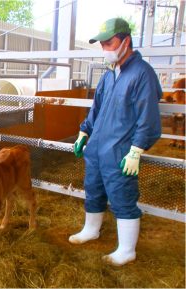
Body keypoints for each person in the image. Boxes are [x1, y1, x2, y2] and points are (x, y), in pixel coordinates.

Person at [69, 18, 162, 266]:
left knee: (122, 196)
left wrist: (136, 150)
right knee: (94, 190)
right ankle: (91, 230)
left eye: (109, 42)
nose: (105, 48)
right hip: (97, 147)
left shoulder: (142, 74)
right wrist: (84, 132)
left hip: (121, 150)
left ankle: (127, 249)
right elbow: (95, 109)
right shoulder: (109, 77)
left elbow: (148, 117)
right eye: (102, 44)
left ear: (125, 41)